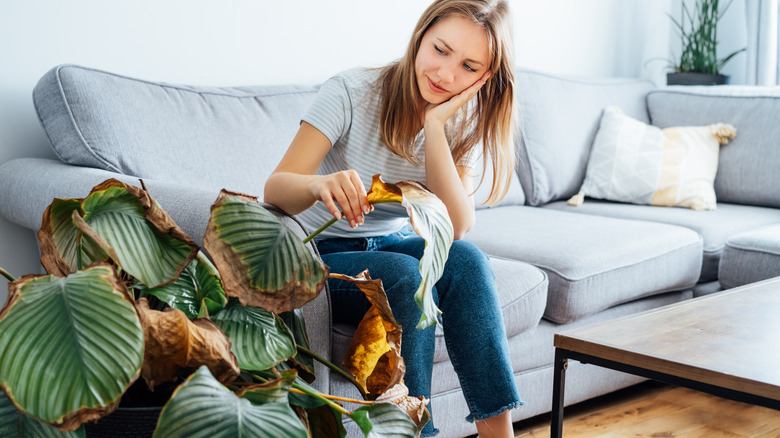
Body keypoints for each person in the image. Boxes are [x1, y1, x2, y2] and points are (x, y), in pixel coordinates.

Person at [264, 0, 521, 436]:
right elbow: (275, 189)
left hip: (387, 246)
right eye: (440, 50)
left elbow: (456, 227)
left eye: (467, 65)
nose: (445, 74)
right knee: (403, 275)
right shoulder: (350, 91)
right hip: (318, 255)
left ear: (485, 76)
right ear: (420, 36)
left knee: (469, 261)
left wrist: (436, 127)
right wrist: (316, 186)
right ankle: (415, 432)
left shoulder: (461, 119)